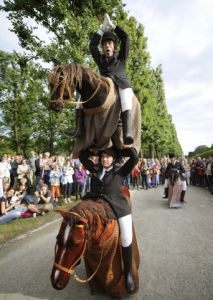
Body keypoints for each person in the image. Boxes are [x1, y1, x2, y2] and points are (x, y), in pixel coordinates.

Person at [79, 146, 139, 293]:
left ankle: (128, 273)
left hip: (117, 206)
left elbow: (134, 157)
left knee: (126, 237)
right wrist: (96, 145)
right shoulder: (95, 169)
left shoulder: (120, 171)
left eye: (108, 156)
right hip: (96, 202)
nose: (105, 159)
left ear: (113, 158)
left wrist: (120, 149)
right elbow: (82, 156)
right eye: (103, 156)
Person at [87, 14, 134, 145]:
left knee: (126, 98)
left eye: (109, 43)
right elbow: (92, 46)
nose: (107, 45)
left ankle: (127, 132)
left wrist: (113, 27)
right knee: (82, 96)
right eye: (105, 44)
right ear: (102, 48)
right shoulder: (100, 59)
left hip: (121, 84)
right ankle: (80, 128)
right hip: (104, 87)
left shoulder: (121, 57)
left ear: (114, 46)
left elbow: (126, 38)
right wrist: (101, 29)